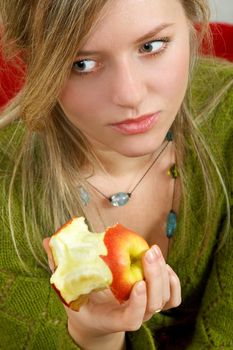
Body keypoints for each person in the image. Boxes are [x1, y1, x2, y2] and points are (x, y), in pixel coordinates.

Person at [0, 0, 232, 349]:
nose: (129, 95)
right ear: (34, 61)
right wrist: (94, 336)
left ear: (191, 21)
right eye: (82, 64)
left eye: (151, 46)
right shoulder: (8, 184)